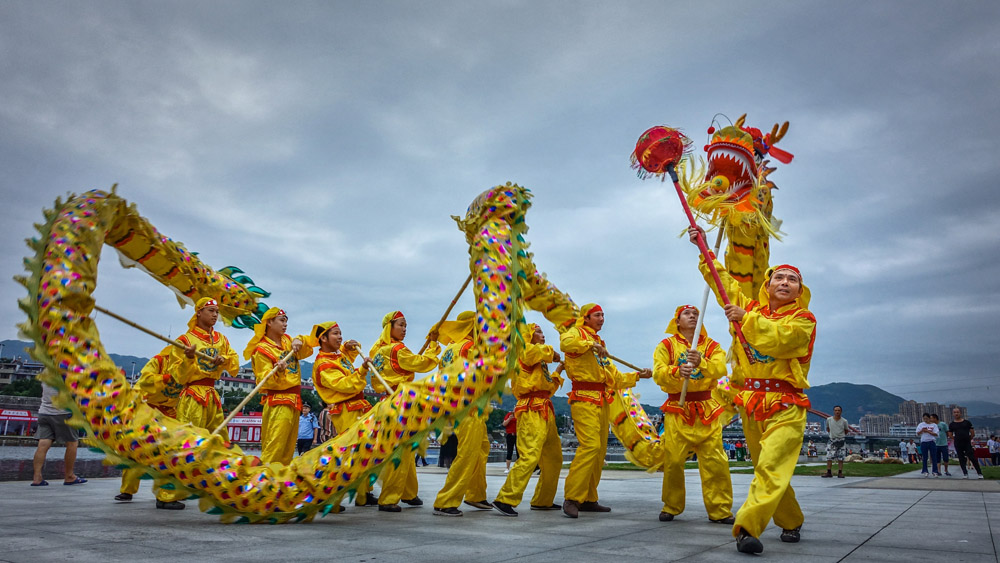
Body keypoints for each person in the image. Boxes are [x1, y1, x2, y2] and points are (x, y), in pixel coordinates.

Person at [688, 226, 817, 554]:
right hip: (751, 403)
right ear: (768, 285)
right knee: (767, 467)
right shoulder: (752, 308)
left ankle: (746, 527)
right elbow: (724, 285)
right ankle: (790, 520)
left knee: (772, 465)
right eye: (779, 278)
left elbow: (779, 340)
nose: (785, 282)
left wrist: (745, 319)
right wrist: (704, 249)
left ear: (800, 290)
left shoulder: (804, 320)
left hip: (787, 403)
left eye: (792, 279)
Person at [560, 303, 652, 519]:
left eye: (603, 315)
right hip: (583, 398)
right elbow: (566, 344)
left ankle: (589, 498)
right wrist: (590, 344)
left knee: (599, 451)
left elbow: (615, 377)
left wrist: (639, 376)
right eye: (597, 315)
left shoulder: (600, 344)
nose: (602, 318)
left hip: (601, 399)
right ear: (587, 317)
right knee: (590, 446)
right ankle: (572, 497)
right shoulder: (576, 332)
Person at [652, 305, 734, 524]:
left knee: (715, 462)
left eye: (696, 314)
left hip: (706, 408)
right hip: (678, 409)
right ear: (677, 321)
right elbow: (658, 374)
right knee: (674, 461)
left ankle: (720, 510)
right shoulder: (666, 346)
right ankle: (671, 505)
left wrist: (702, 363)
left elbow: (721, 369)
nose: (692, 317)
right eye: (687, 314)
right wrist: (676, 371)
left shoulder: (712, 346)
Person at [369, 310, 440, 512]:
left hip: (388, 401)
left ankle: (408, 493)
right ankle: (389, 498)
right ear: (389, 327)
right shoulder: (397, 349)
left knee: (406, 450)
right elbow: (422, 363)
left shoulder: (378, 349)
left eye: (405, 325)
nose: (404, 329)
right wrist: (433, 344)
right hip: (398, 403)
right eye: (400, 325)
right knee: (399, 451)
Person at [493, 323, 564, 517]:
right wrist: (553, 353)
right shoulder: (524, 352)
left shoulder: (540, 360)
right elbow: (536, 352)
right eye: (538, 332)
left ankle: (543, 500)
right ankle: (505, 498)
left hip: (544, 407)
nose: (542, 335)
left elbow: (548, 387)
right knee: (530, 455)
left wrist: (558, 369)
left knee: (554, 458)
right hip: (531, 408)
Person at [308, 320, 379, 507]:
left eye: (341, 333)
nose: (340, 337)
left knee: (364, 452)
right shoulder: (324, 364)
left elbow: (347, 357)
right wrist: (363, 371)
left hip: (357, 407)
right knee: (348, 453)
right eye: (335, 334)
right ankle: (331, 496)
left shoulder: (336, 357)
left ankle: (364, 492)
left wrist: (348, 347)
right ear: (323, 338)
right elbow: (344, 385)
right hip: (346, 409)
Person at [431, 311, 493, 517]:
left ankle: (476, 494)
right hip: (468, 406)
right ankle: (446, 500)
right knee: (467, 453)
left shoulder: (450, 349)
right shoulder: (469, 348)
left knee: (481, 448)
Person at [116, 347, 188, 509]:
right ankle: (127, 490)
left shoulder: (188, 366)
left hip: (170, 414)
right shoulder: (159, 361)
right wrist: (166, 378)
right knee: (135, 452)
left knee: (171, 456)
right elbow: (146, 380)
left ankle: (168, 493)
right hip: (146, 409)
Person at [244, 307, 312, 465]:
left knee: (288, 450)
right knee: (274, 447)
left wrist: (299, 340)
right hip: (279, 401)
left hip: (294, 401)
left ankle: (280, 484)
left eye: (286, 321)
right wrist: (279, 372)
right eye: (282, 320)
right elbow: (265, 379)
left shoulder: (288, 341)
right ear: (269, 323)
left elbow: (306, 348)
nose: (285, 324)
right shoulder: (261, 350)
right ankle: (263, 483)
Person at [170, 298, 241, 432]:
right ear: (199, 312)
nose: (215, 315)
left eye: (217, 312)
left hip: (213, 396)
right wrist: (188, 359)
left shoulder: (221, 340)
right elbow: (179, 376)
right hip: (193, 396)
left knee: (218, 437)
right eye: (211, 311)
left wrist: (224, 359)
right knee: (192, 437)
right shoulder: (184, 340)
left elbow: (234, 362)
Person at [30, 382, 86, 487]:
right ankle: (69, 476)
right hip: (64, 413)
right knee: (72, 442)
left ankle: (37, 478)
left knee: (42, 444)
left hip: (44, 412)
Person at [950, 407, 983, 479]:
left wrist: (968, 438)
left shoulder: (967, 422)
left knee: (972, 457)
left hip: (967, 442)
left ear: (960, 413)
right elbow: (950, 434)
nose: (956, 414)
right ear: (953, 414)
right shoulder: (952, 424)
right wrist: (956, 439)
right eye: (955, 412)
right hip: (958, 443)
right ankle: (965, 473)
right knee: (961, 458)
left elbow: (972, 433)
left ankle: (979, 473)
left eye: (957, 412)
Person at [822, 406, 849, 478]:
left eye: (839, 410)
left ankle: (840, 473)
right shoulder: (829, 420)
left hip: (841, 441)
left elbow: (846, 430)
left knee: (841, 458)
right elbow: (828, 428)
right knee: (829, 457)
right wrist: (833, 435)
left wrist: (840, 436)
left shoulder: (844, 421)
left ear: (841, 411)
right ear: (833, 411)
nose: (837, 412)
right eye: (836, 410)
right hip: (832, 440)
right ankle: (829, 472)